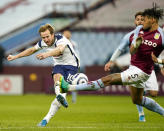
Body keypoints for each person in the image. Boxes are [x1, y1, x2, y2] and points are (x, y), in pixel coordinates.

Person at [59, 4, 164, 119]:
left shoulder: (162, 37)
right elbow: (132, 51)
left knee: (108, 80)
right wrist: (136, 44)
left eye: (145, 19)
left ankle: (68, 87)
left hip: (143, 72)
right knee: (137, 100)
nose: (142, 22)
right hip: (133, 68)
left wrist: (159, 60)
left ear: (153, 20)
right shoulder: (139, 30)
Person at [7, 24, 80, 126]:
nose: (45, 40)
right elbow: (32, 50)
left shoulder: (61, 39)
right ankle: (58, 98)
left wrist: (46, 54)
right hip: (59, 64)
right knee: (57, 78)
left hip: (71, 65)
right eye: (43, 37)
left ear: (52, 34)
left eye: (47, 37)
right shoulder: (43, 43)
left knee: (62, 89)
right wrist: (15, 56)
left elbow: (59, 50)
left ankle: (49, 113)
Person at [105, 11, 163, 122]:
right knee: (138, 97)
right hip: (136, 68)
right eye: (138, 19)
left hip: (149, 69)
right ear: (135, 22)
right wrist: (111, 61)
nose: (141, 21)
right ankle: (141, 114)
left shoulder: (154, 34)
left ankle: (139, 94)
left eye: (143, 19)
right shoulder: (131, 35)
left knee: (154, 93)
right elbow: (120, 48)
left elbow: (157, 50)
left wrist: (160, 65)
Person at [63, 30, 80, 103]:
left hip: (73, 65)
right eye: (65, 34)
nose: (67, 35)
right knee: (64, 83)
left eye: (68, 34)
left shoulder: (73, 44)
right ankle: (63, 98)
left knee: (74, 82)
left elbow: (76, 54)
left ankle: (74, 99)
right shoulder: (60, 43)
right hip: (64, 65)